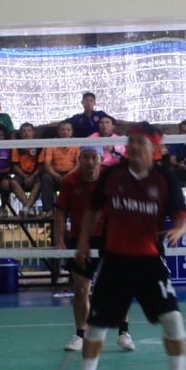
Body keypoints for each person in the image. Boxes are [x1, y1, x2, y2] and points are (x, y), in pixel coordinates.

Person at [66, 127, 186, 370]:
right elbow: (93, 209)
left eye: (140, 142)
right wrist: (83, 241)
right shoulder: (112, 176)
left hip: (150, 261)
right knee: (96, 325)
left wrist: (179, 228)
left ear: (154, 149)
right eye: (131, 141)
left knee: (173, 320)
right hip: (115, 260)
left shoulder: (165, 178)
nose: (134, 146)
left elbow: (181, 214)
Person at [54, 147, 134, 352]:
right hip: (81, 239)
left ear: (100, 159)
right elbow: (60, 211)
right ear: (79, 159)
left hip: (110, 237)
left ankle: (124, 333)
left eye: (94, 157)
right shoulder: (70, 182)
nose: (90, 162)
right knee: (81, 289)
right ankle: (81, 335)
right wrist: (60, 240)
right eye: (86, 157)